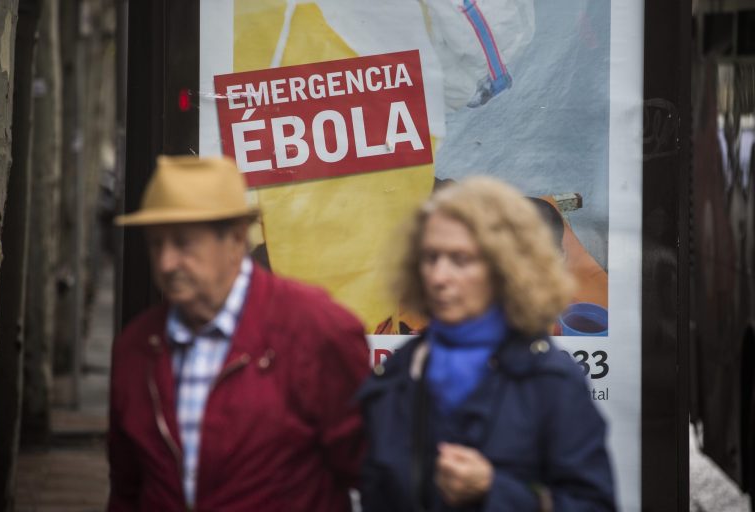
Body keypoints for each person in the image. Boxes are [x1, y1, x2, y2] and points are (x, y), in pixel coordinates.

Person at [108, 155, 369, 511]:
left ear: (233, 240)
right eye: (156, 244)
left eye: (183, 243)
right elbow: (126, 490)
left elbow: (369, 470)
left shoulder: (317, 329)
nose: (167, 263)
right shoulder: (135, 348)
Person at [359, 177, 616, 511]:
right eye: (430, 257)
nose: (439, 277)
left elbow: (594, 504)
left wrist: (495, 490)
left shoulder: (548, 379)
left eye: (460, 259)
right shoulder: (396, 374)